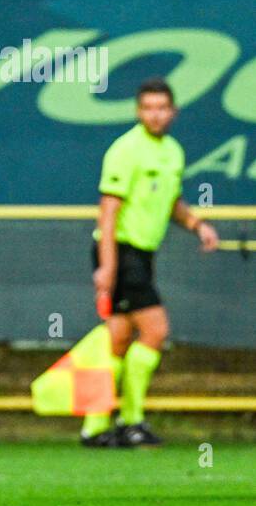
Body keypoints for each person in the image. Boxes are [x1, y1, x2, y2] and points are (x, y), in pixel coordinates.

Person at [84, 78, 218, 447]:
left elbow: (171, 199)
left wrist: (197, 225)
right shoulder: (125, 150)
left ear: (172, 111)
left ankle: (97, 427)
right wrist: (107, 267)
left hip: (141, 254)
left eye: (162, 108)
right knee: (156, 331)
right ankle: (131, 420)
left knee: (120, 339)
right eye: (148, 108)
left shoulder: (173, 151)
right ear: (138, 111)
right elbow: (108, 213)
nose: (155, 115)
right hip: (121, 251)